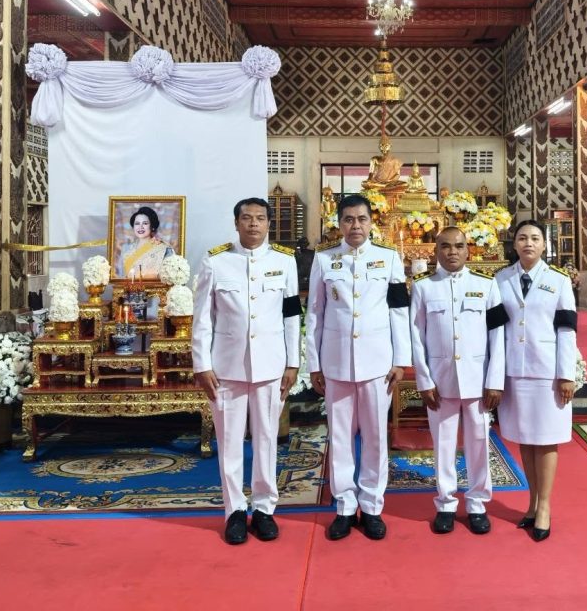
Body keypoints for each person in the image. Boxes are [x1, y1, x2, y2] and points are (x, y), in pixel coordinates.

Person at [192, 197, 301, 545]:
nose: (253, 224)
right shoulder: (215, 262)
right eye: (247, 218)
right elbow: (202, 319)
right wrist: (202, 364)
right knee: (229, 442)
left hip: (271, 366)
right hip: (226, 368)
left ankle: (265, 509)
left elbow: (291, 315)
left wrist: (293, 362)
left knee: (267, 439)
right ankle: (235, 511)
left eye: (260, 218)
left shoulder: (284, 261)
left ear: (269, 223)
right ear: (236, 223)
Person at [306, 193, 411, 540]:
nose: (355, 226)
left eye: (361, 219)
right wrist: (314, 364)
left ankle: (373, 506)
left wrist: (401, 360)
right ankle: (344, 507)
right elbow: (315, 314)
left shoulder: (389, 258)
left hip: (378, 364)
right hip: (336, 362)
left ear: (371, 222)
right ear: (339, 223)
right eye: (348, 219)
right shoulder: (324, 259)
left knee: (376, 437)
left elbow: (399, 311)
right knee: (339, 436)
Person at [410, 227, 506, 535]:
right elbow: (416, 337)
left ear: (468, 250)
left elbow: (498, 337)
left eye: (459, 246)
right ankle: (446, 503)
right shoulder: (423, 287)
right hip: (440, 381)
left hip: (478, 380)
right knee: (443, 444)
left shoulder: (487, 285)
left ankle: (477, 503)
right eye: (446, 246)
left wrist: (495, 380)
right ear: (435, 250)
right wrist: (424, 380)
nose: (452, 251)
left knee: (479, 442)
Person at [495, 219, 580, 542]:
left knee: (545, 439)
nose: (528, 243)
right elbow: (496, 329)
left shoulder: (559, 280)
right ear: (514, 243)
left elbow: (567, 329)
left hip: (547, 371)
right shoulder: (501, 279)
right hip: (514, 370)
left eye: (534, 238)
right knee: (525, 439)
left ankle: (544, 506)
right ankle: (531, 503)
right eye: (522, 238)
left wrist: (566, 374)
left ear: (544, 244)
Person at [119, 206, 174, 279]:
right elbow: (122, 276)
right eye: (137, 223)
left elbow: (169, 277)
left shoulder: (164, 249)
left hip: (155, 286)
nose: (140, 227)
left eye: (145, 223)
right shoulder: (126, 249)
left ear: (152, 226)